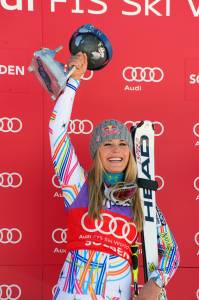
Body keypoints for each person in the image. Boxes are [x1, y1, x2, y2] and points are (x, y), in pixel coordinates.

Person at [49, 52, 180, 300]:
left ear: (130, 153)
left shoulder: (142, 199)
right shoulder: (77, 185)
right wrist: (74, 82)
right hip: (71, 293)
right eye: (107, 144)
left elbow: (171, 250)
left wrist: (155, 284)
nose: (116, 150)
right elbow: (57, 133)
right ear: (96, 152)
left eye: (122, 144)